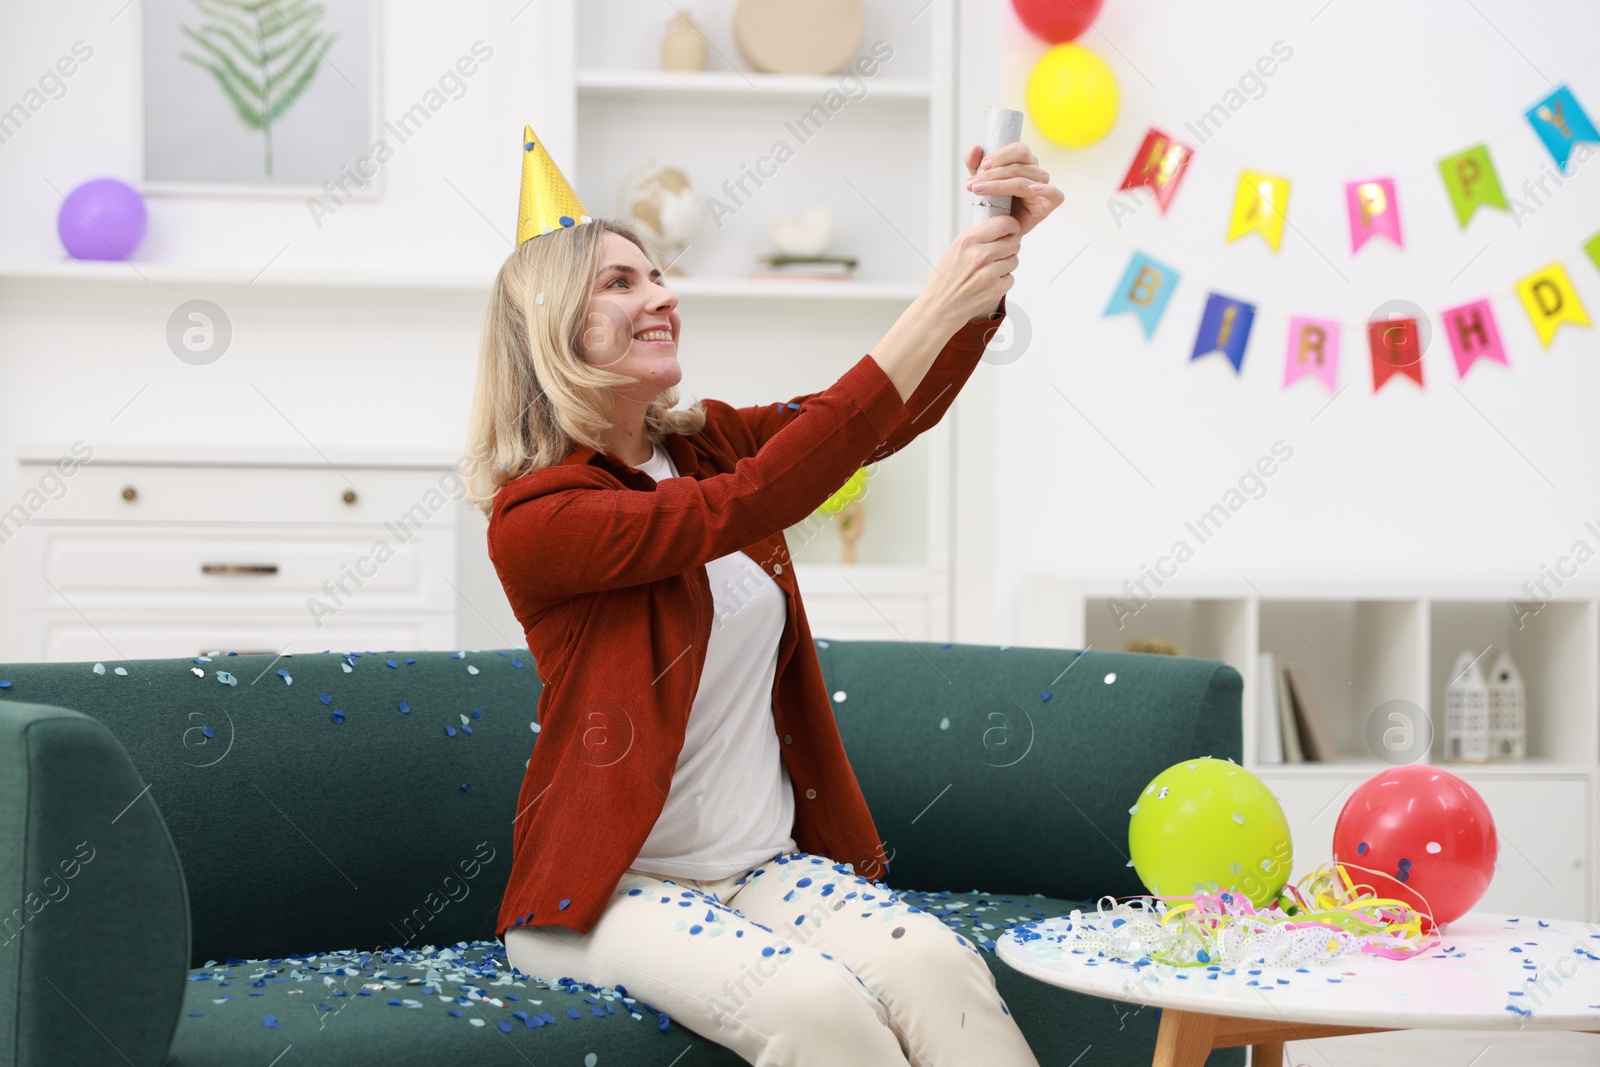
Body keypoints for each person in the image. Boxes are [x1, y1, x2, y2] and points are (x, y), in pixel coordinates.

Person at [462, 124, 1062, 1066]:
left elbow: (869, 425)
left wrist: (986, 270)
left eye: (655, 275)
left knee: (945, 972)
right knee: (819, 1005)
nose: (660, 296)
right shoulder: (538, 517)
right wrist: (931, 298)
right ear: (550, 330)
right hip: (612, 894)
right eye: (620, 283)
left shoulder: (703, 443)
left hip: (762, 871)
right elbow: (749, 503)